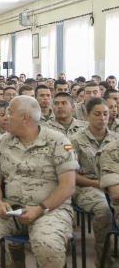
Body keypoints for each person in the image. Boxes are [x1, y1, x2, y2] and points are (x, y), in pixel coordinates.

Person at [0, 96, 79, 268]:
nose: (5, 117)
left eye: (10, 113)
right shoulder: (2, 142)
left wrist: (39, 209)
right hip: (13, 210)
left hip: (50, 211)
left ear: (25, 117)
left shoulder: (57, 141)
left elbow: (68, 185)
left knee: (47, 244)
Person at [70, 97, 117, 267]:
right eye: (97, 114)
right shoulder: (75, 140)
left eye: (105, 114)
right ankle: (104, 259)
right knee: (104, 209)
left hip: (113, 186)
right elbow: (71, 175)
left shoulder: (116, 139)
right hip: (85, 187)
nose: (103, 118)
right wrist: (99, 184)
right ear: (86, 115)